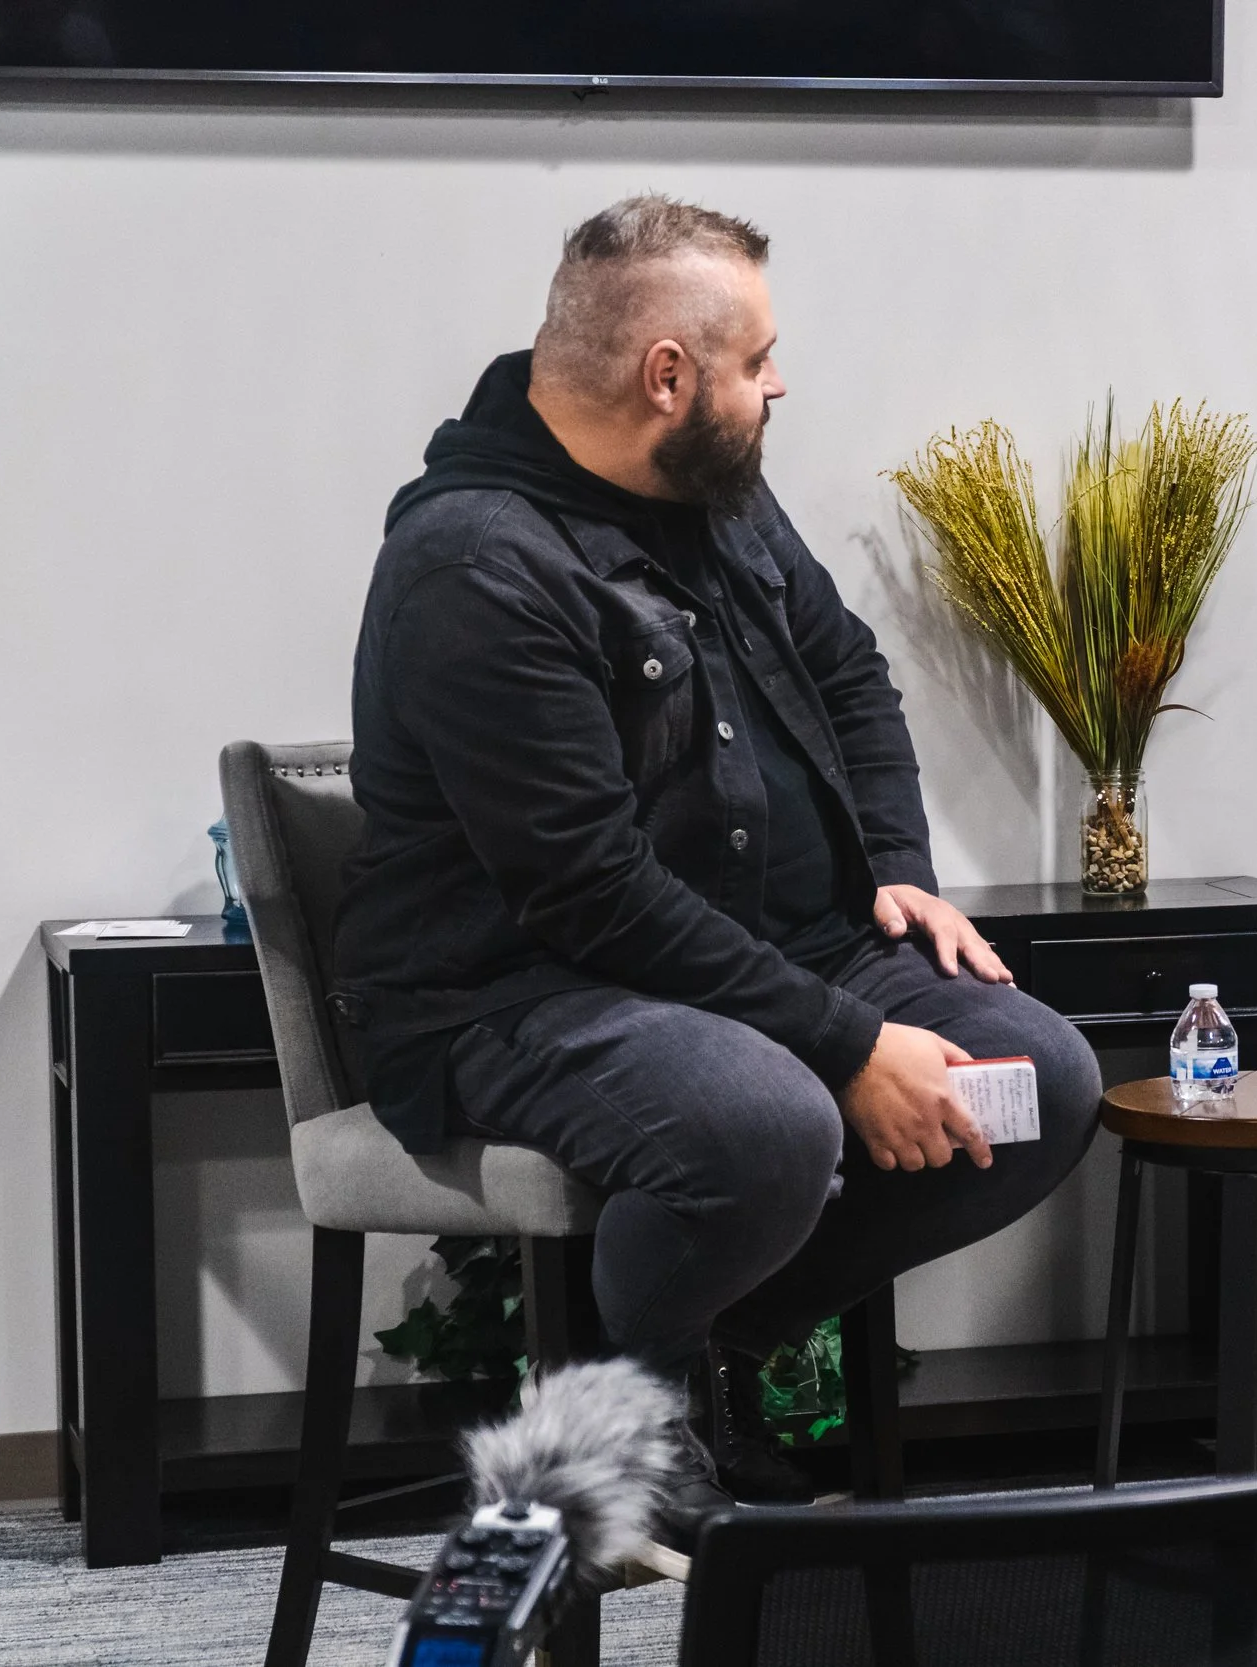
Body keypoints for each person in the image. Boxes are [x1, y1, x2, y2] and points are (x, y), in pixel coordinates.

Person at [335, 195, 1102, 1536]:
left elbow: (851, 671)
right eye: (758, 359)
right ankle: (630, 1403)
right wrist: (851, 1042)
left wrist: (901, 864)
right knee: (768, 1122)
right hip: (527, 985)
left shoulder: (707, 489)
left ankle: (705, 1347)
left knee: (1040, 1082)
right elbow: (586, 889)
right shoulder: (474, 564)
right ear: (669, 376)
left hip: (773, 949)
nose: (779, 382)